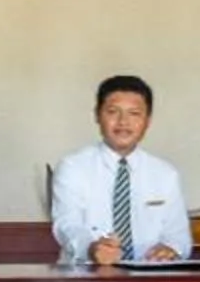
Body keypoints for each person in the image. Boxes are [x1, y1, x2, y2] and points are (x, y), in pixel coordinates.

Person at [50, 74, 188, 267]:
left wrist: (171, 249)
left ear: (147, 121)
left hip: (150, 279)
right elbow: (67, 225)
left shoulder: (165, 174)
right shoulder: (73, 168)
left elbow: (179, 235)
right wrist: (91, 249)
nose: (123, 122)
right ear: (97, 115)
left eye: (134, 113)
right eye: (113, 112)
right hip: (86, 279)